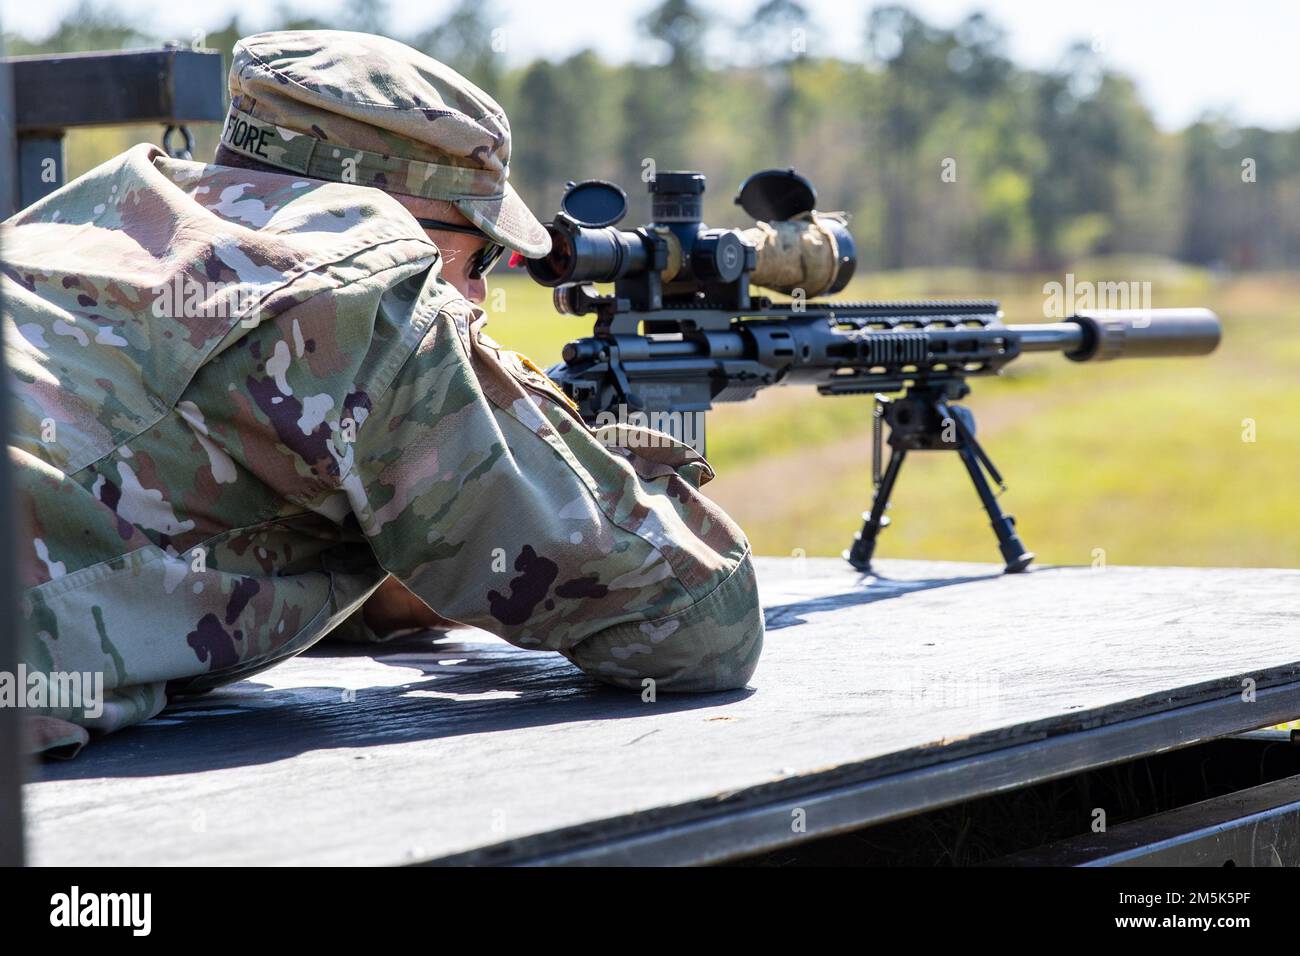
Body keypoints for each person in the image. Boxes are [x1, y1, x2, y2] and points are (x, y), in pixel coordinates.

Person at [3, 30, 763, 756]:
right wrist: (555, 433)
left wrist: (408, 559)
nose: (480, 291)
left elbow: (173, 530)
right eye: (481, 255)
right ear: (393, 218)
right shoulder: (369, 293)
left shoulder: (75, 223)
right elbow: (699, 620)